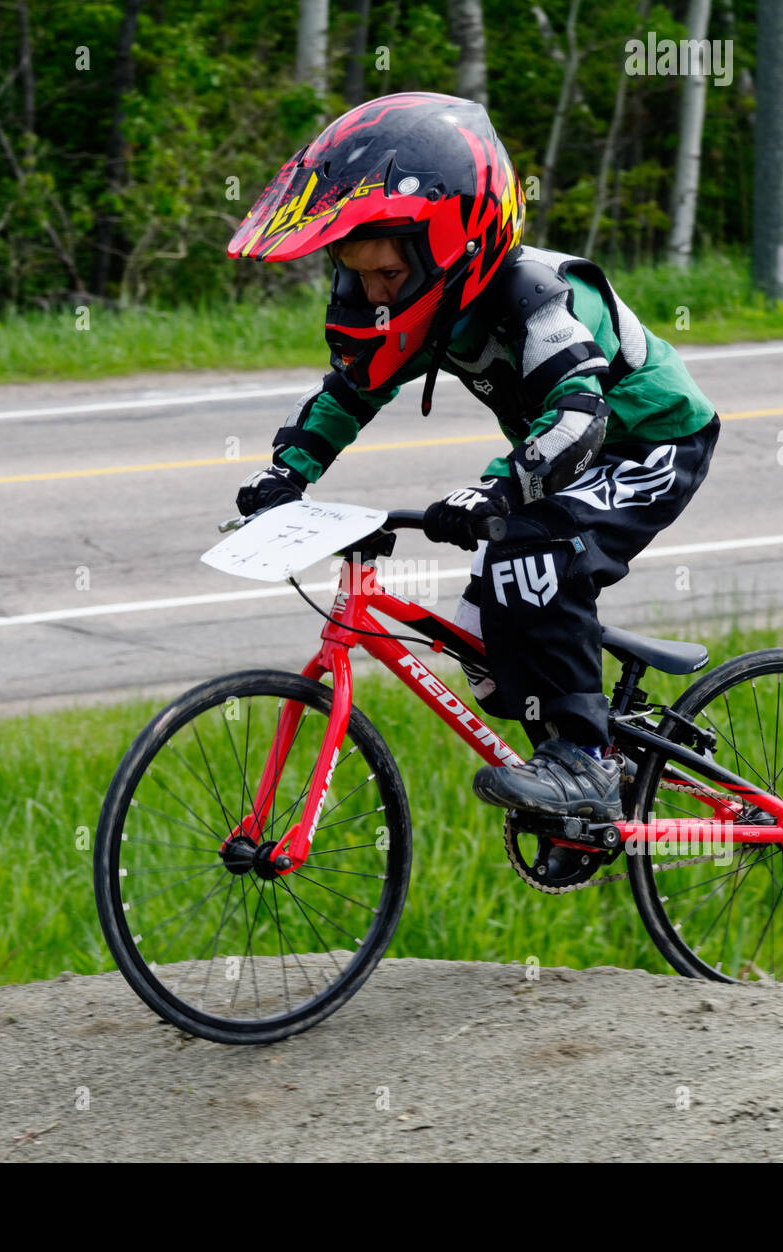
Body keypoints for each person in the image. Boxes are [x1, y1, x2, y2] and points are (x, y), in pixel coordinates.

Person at [227, 92, 719, 884]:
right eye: (359, 275)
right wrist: (287, 471)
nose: (377, 292)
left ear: (457, 241)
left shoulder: (540, 293)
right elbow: (351, 391)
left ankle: (586, 759)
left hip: (647, 441)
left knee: (534, 555)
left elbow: (580, 419)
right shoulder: (427, 300)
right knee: (488, 659)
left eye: (389, 271)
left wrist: (501, 494)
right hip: (550, 451)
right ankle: (592, 773)